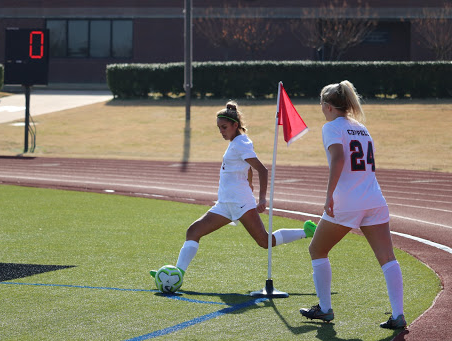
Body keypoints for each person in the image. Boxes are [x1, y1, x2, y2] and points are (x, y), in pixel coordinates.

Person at [150, 101, 317, 283]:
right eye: (219, 128)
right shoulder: (236, 143)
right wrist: (250, 182)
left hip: (239, 202)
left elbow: (262, 169)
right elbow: (247, 167)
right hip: (224, 203)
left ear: (235, 125)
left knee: (264, 241)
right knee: (193, 231)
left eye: (224, 127)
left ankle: (306, 231)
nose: (221, 131)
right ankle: (177, 275)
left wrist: (261, 199)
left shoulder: (241, 143)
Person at [299, 81, 406, 329]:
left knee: (317, 250)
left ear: (327, 106)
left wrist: (329, 196)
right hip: (374, 198)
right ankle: (398, 315)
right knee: (388, 258)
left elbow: (338, 159)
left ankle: (325, 309)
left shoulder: (331, 127)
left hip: (348, 201)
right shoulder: (361, 128)